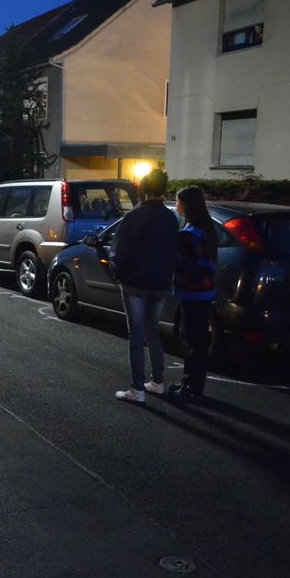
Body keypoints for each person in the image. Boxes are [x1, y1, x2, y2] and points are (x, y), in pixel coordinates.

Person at [109, 169, 179, 405]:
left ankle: (137, 389)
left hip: (135, 283)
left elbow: (120, 250)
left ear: (144, 189)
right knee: (153, 332)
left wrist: (118, 272)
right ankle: (157, 382)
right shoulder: (170, 218)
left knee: (136, 336)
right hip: (161, 283)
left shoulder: (136, 216)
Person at [167, 186, 217, 400]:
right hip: (206, 291)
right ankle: (193, 384)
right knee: (198, 341)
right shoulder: (207, 229)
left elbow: (182, 264)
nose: (176, 206)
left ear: (186, 205)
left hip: (192, 292)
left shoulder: (188, 234)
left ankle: (190, 388)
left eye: (178, 202)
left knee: (192, 341)